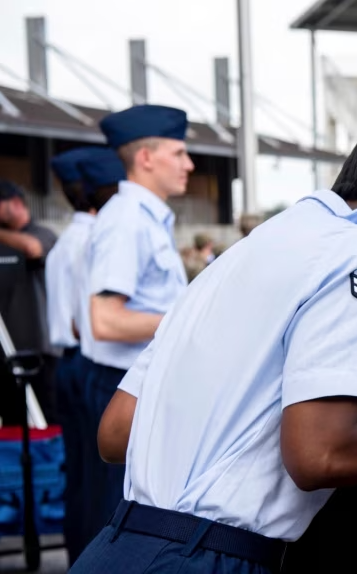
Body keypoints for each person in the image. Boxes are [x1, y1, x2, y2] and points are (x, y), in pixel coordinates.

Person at [70, 75, 357, 574]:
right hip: (205, 559)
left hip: (118, 544)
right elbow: (320, 453)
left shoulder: (250, 250)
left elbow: (118, 431)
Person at [77, 104, 193, 545]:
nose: (189, 164)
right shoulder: (127, 220)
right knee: (120, 520)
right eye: (179, 153)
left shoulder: (144, 218)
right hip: (120, 386)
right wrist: (188, 321)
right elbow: (105, 319)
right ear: (146, 158)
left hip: (133, 382)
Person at [44, 146, 124, 563]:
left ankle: (80, 560)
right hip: (93, 360)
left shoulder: (64, 243)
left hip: (65, 363)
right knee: (107, 484)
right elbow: (89, 319)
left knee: (78, 478)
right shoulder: (98, 239)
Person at [0, 179, 59, 419]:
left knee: (44, 418)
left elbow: (33, 249)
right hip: (7, 349)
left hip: (40, 351)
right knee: (13, 419)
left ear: (15, 203)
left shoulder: (42, 234)